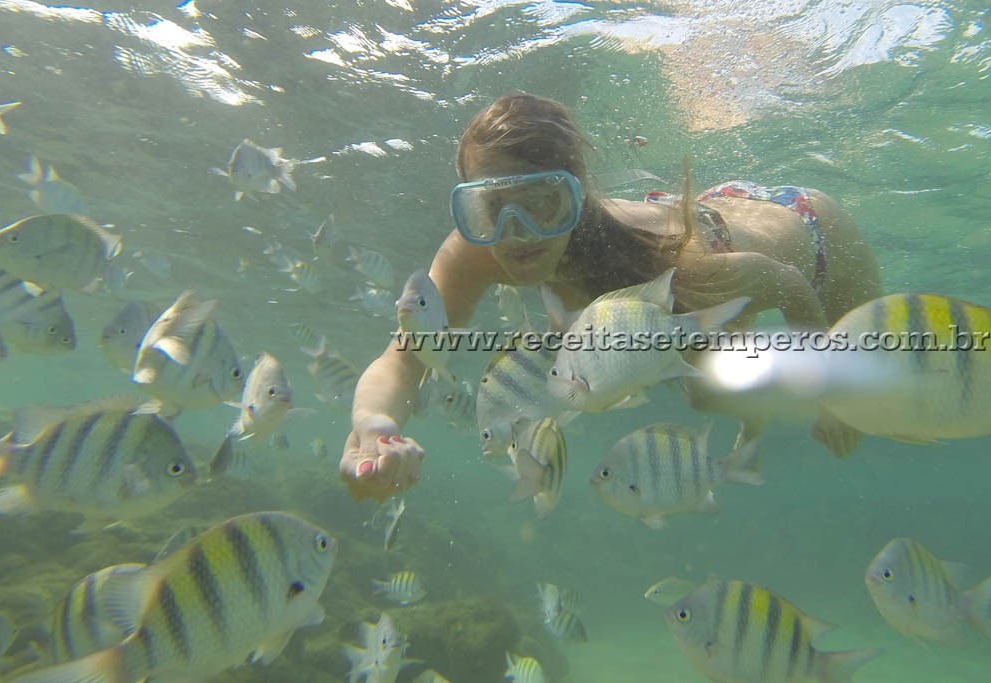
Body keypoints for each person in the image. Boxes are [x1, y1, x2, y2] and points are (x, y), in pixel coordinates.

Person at [341, 92, 881, 501]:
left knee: (748, 386)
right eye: (491, 208)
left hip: (811, 231)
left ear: (577, 196)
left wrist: (831, 391)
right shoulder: (476, 251)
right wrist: (374, 426)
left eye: (541, 204)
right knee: (703, 382)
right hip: (723, 208)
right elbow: (404, 361)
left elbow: (784, 280)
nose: (517, 231)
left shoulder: (668, 260)